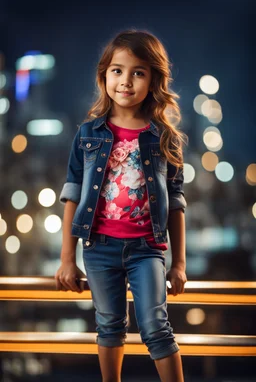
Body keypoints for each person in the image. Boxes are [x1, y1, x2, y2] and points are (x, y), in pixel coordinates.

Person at [55, 28, 188, 382]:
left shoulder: (164, 137)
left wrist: (179, 265)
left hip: (148, 249)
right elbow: (72, 195)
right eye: (117, 70)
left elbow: (176, 202)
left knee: (156, 327)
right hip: (98, 249)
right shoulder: (88, 134)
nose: (126, 81)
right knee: (109, 326)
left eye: (138, 72)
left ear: (153, 80)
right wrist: (68, 259)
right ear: (104, 76)